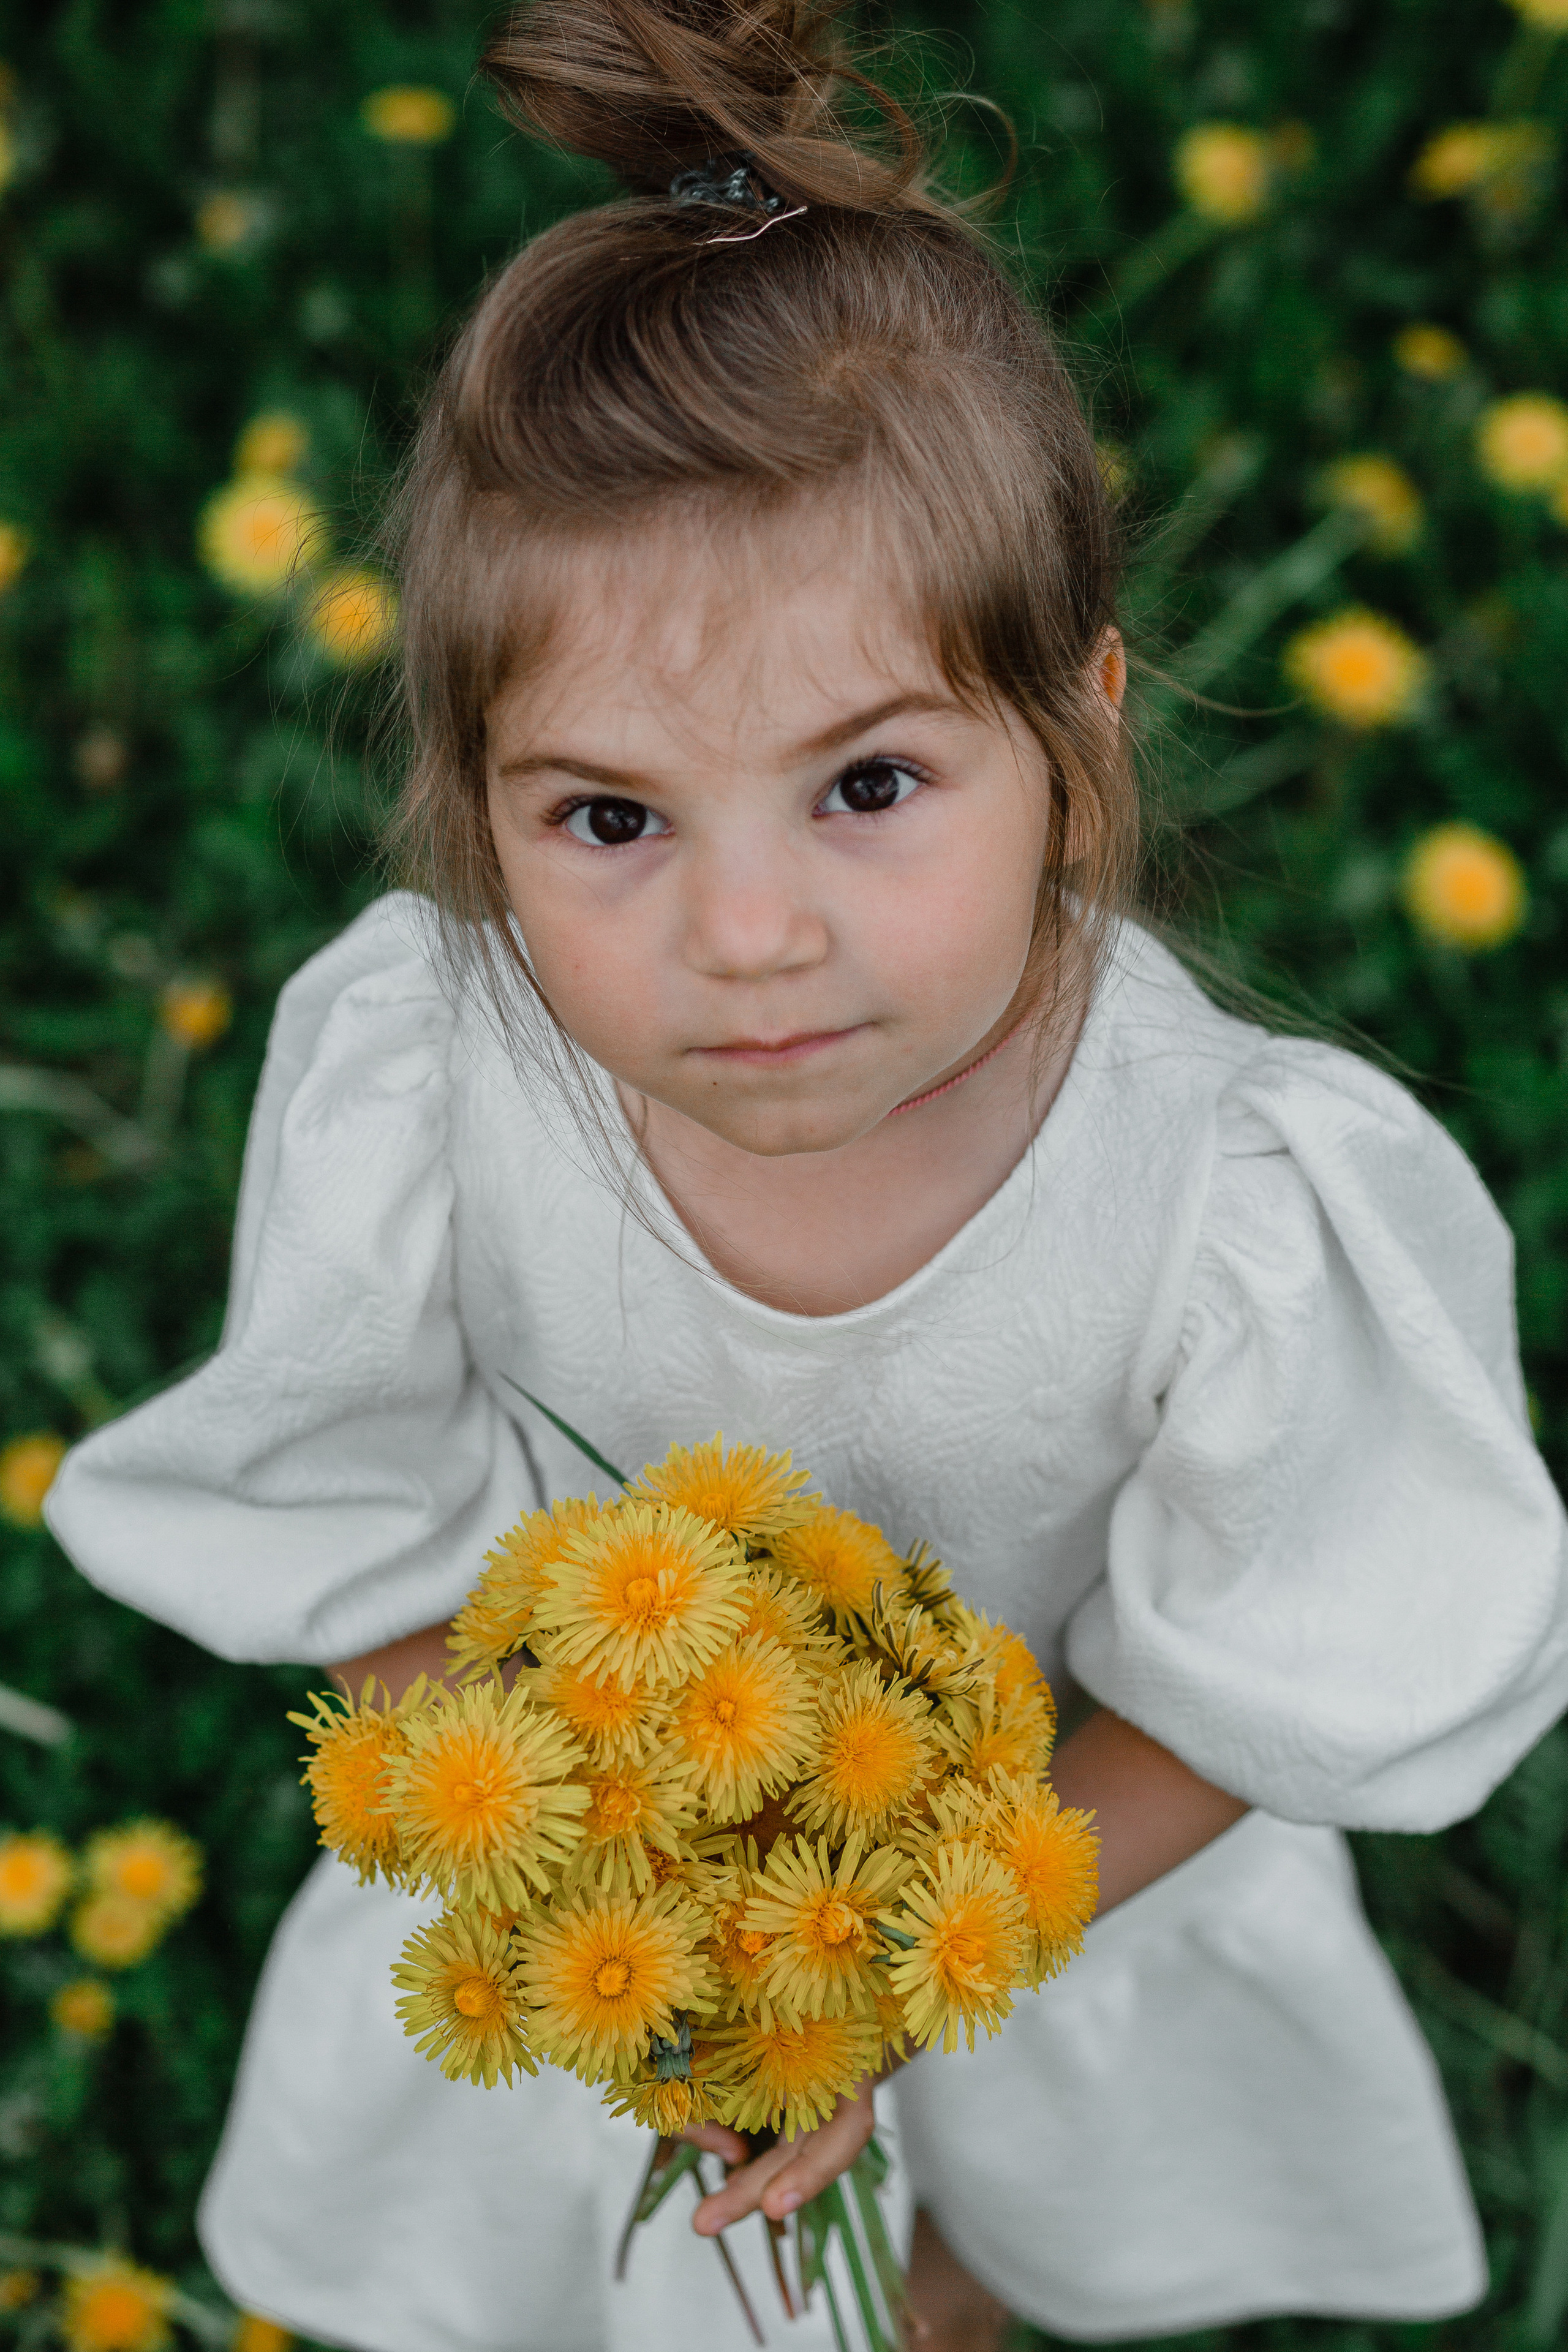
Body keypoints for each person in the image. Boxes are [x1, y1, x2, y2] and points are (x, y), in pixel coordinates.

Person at [46, 3, 1568, 2348]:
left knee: (960, 2270)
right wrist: (632, 1919)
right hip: (624, 1912)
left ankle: (959, 2276)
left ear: (1077, 730)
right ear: (477, 814)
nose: (746, 936)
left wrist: (880, 1975)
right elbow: (355, 1523)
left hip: (1037, 1882)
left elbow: (1274, 1666)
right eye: (612, 818)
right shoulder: (431, 1091)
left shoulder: (1225, 1202)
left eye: (867, 787)